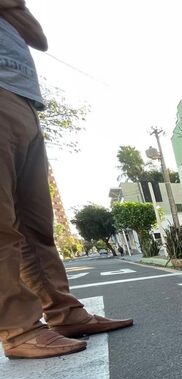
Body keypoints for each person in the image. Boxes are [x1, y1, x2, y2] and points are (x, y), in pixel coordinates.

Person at [0, 1, 132, 359]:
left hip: (24, 100)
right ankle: (19, 328)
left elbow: (38, 37)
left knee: (36, 226)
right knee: (3, 224)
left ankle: (65, 313)